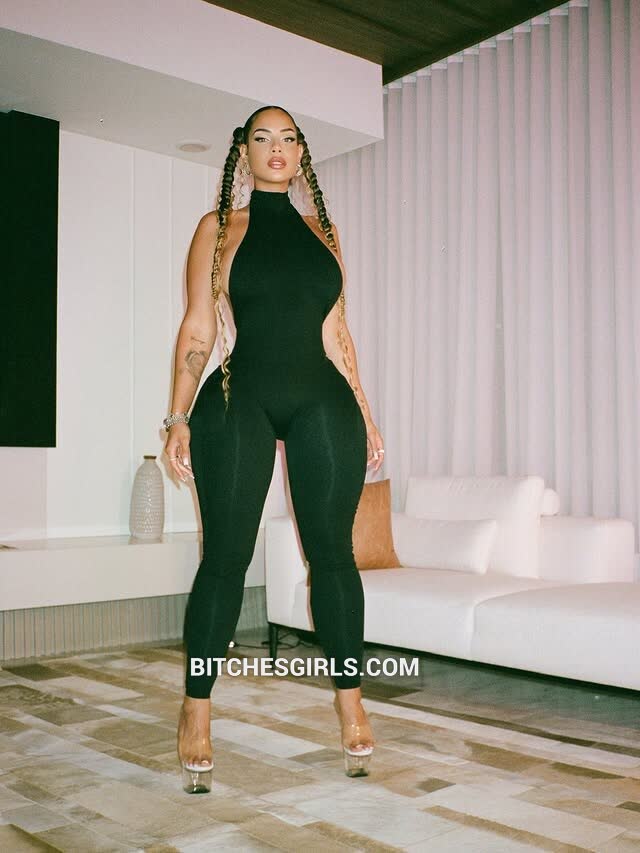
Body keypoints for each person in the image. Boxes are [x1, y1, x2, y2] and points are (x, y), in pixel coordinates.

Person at [163, 105, 385, 792]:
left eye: (288, 138)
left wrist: (366, 411)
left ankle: (351, 703)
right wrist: (176, 415)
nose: (277, 148)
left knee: (334, 555)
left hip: (321, 395)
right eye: (263, 138)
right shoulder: (219, 228)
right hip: (241, 393)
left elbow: (336, 332)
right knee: (225, 558)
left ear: (301, 153)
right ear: (245, 154)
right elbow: (199, 326)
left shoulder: (324, 232)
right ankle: (196, 708)